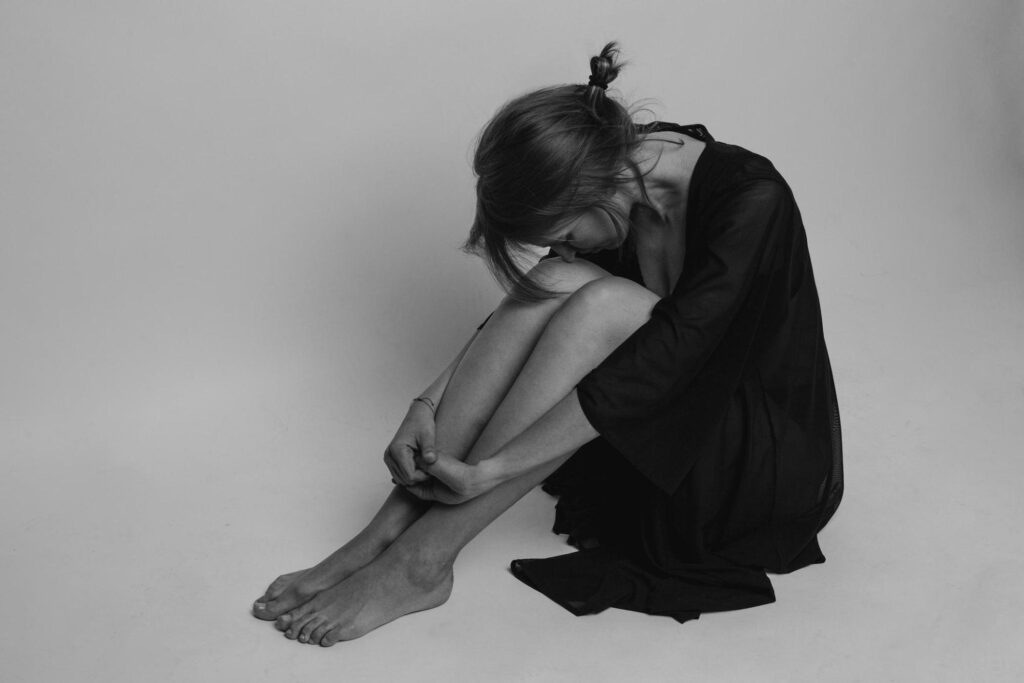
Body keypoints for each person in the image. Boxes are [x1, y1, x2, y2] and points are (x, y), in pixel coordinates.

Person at [251, 42, 843, 646]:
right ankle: (383, 534)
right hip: (641, 428)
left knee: (606, 303)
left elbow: (671, 358)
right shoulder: (616, 164)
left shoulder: (752, 197)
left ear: (594, 188)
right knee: (561, 279)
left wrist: (497, 469)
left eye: (562, 232)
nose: (567, 246)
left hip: (734, 460)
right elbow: (549, 290)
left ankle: (421, 563)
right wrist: (425, 403)